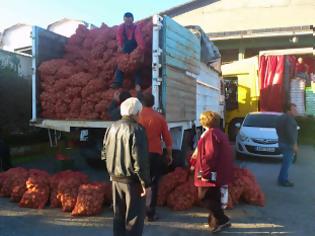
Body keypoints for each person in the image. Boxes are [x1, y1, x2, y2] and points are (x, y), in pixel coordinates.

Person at [101, 97, 150, 236]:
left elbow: (104, 153)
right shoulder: (137, 130)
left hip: (115, 178)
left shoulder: (111, 127)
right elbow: (140, 160)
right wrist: (145, 183)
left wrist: (111, 170)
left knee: (118, 216)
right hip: (132, 181)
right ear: (136, 113)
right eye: (140, 113)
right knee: (134, 218)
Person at [191, 111, 233, 233]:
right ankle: (215, 222)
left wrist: (205, 174)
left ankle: (223, 220)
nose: (200, 120)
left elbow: (209, 156)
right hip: (219, 172)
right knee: (214, 197)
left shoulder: (210, 134)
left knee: (204, 197)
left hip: (210, 173)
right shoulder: (218, 133)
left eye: (201, 119)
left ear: (206, 121)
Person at [138, 93, 173, 221]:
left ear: (141, 102)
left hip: (138, 153)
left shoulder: (137, 117)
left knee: (137, 181)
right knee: (153, 183)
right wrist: (169, 155)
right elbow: (168, 140)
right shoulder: (159, 118)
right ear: (153, 103)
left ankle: (137, 210)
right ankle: (150, 213)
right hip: (154, 154)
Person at [111, 12, 145, 91]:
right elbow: (119, 38)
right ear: (124, 20)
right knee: (121, 64)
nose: (128, 24)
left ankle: (138, 84)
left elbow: (140, 42)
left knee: (137, 65)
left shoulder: (136, 28)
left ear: (132, 20)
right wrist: (120, 48)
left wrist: (140, 54)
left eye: (129, 21)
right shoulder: (121, 27)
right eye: (126, 21)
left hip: (135, 47)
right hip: (125, 48)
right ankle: (117, 82)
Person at [276, 103, 298, 187]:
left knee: (286, 163)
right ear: (288, 110)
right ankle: (283, 180)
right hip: (288, 144)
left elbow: (277, 129)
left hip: (282, 142)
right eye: (294, 109)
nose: (296, 111)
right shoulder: (289, 118)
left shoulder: (280, 117)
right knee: (287, 163)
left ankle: (282, 178)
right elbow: (290, 133)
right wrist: (294, 144)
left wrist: (281, 138)